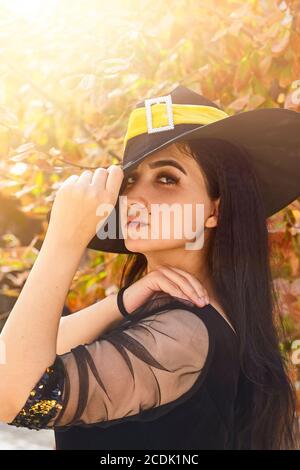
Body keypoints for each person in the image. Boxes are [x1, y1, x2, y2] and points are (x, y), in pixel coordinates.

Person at [0, 85, 300, 450]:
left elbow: (11, 393)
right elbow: (27, 352)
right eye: (130, 180)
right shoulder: (184, 316)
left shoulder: (182, 335)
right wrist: (123, 302)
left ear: (215, 210)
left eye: (167, 178)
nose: (134, 198)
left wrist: (63, 241)